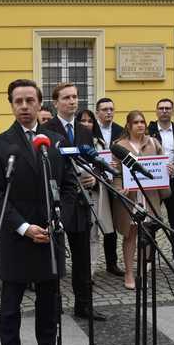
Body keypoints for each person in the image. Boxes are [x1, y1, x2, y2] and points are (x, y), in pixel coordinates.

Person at [0, 79, 78, 345]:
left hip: (50, 234)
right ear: (11, 105)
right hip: (16, 236)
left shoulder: (54, 140)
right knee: (10, 303)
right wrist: (24, 227)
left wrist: (57, 221)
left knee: (49, 300)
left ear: (40, 104)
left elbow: (67, 187)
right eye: (18, 101)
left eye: (29, 100)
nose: (24, 106)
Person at [42, 83, 106, 321]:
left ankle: (84, 305)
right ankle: (54, 304)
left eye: (75, 97)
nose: (72, 101)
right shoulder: (46, 128)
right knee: (56, 257)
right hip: (56, 200)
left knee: (82, 257)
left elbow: (90, 160)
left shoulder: (84, 130)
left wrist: (92, 177)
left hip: (80, 201)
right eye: (67, 97)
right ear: (56, 102)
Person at [111, 110, 172, 290]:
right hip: (130, 198)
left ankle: (142, 272)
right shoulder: (119, 145)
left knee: (147, 235)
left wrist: (169, 170)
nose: (140, 125)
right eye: (136, 122)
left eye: (142, 122)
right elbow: (116, 172)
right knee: (130, 236)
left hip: (149, 196)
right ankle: (129, 273)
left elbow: (163, 165)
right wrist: (119, 189)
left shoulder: (153, 142)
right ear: (129, 126)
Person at [147, 99, 174, 271]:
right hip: (153, 183)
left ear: (172, 111)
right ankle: (149, 257)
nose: (164, 111)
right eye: (161, 108)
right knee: (151, 220)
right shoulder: (148, 131)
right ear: (156, 111)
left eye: (168, 108)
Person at [75, 109, 113, 278]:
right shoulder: (71, 140)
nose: (86, 124)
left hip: (95, 193)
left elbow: (108, 173)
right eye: (82, 121)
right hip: (74, 193)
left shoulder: (101, 144)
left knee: (93, 234)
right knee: (76, 234)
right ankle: (78, 268)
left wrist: (96, 179)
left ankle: (89, 272)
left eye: (89, 121)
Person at [94, 98, 125, 277]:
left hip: (114, 181)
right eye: (105, 109)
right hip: (95, 181)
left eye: (111, 109)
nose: (109, 112)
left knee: (111, 223)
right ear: (97, 112)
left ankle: (111, 262)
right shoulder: (90, 130)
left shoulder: (120, 131)